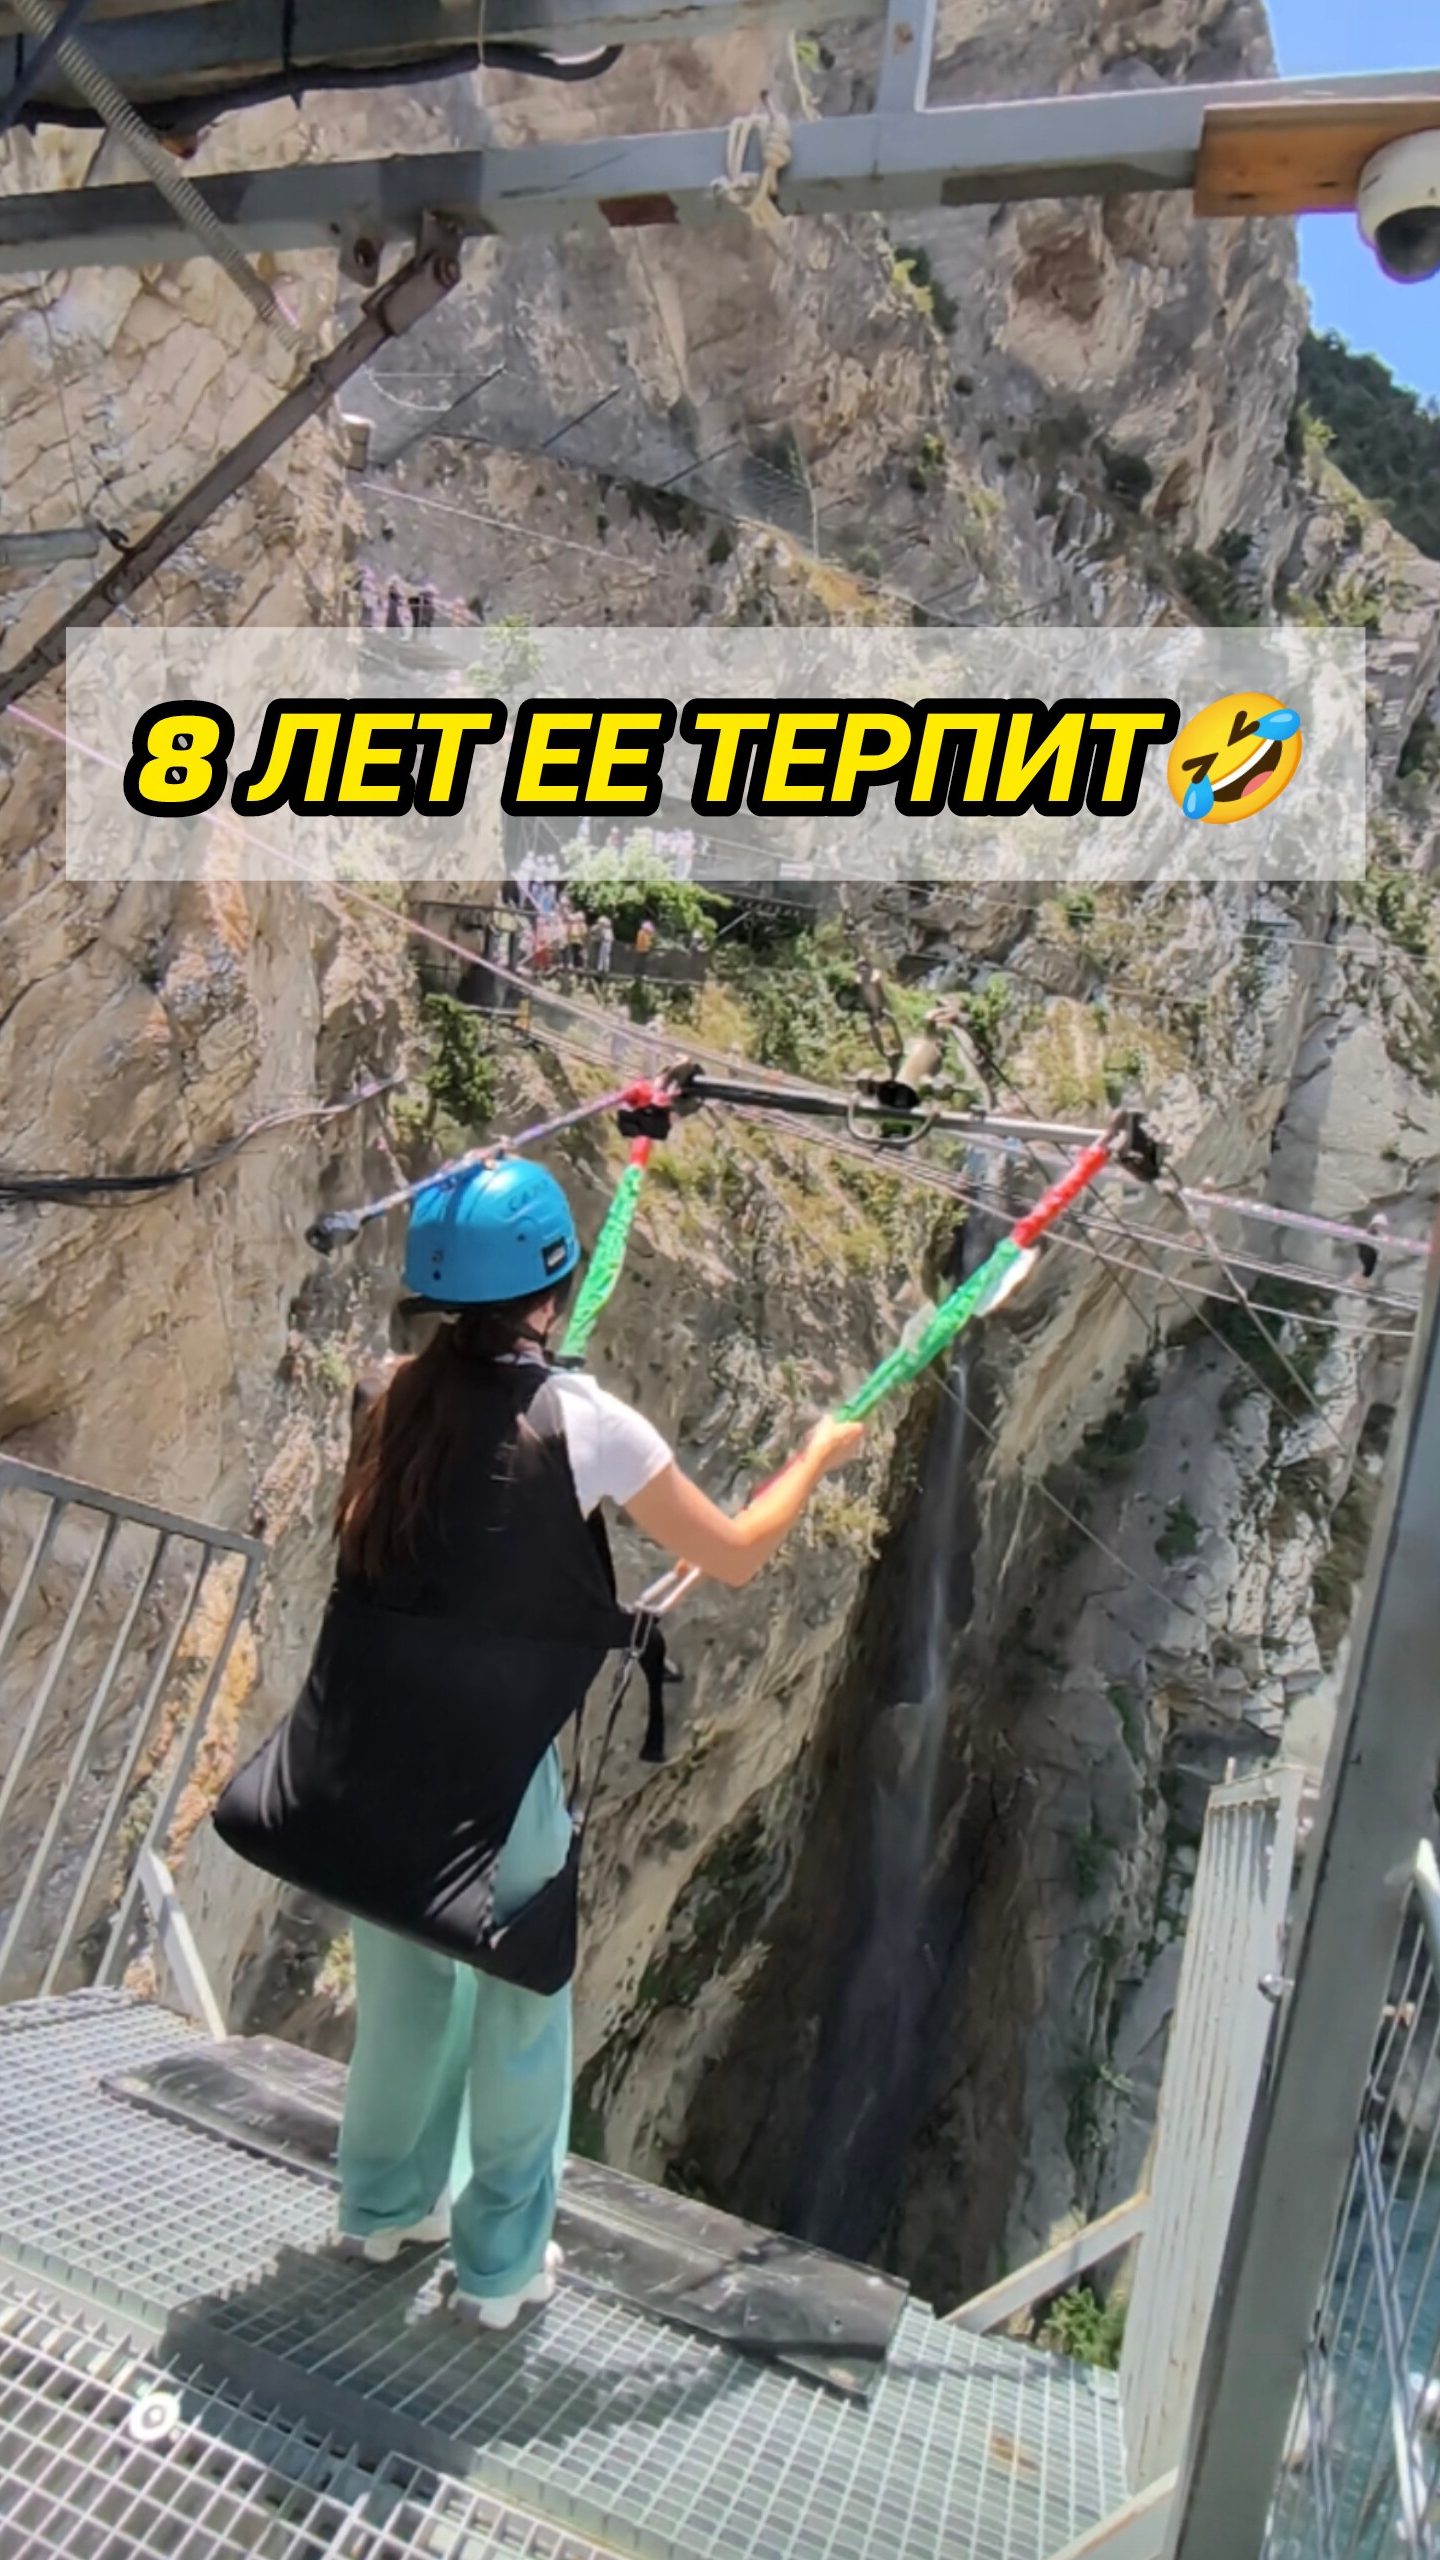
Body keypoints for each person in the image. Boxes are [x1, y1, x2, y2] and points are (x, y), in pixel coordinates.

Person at [214, 1158, 862, 2332]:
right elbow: (734, 1554)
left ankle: (380, 2207)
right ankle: (500, 2269)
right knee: (521, 2008)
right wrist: (815, 1456)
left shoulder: (386, 1392)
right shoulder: (586, 1423)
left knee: (405, 1990)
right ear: (552, 1290)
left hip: (366, 1757)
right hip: (494, 1774)